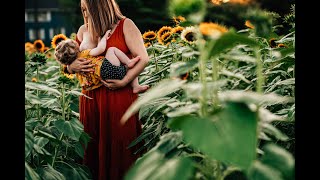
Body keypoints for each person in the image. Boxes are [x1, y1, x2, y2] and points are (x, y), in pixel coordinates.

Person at [62, 0, 150, 179]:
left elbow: (143, 58)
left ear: (99, 8)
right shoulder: (82, 31)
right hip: (90, 99)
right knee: (92, 148)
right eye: (82, 10)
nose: (84, 15)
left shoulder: (125, 25)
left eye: (87, 10)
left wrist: (125, 80)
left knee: (121, 148)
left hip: (119, 97)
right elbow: (70, 61)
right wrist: (71, 67)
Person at [54, 29, 148, 93]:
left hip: (104, 79)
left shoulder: (78, 66)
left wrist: (70, 66)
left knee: (125, 68)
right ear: (75, 48)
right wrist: (103, 38)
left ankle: (130, 73)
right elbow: (100, 49)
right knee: (112, 50)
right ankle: (130, 68)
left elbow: (86, 84)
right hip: (109, 69)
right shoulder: (84, 53)